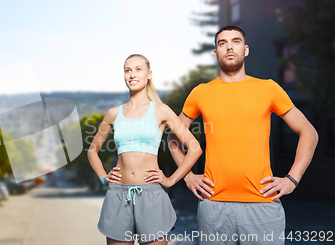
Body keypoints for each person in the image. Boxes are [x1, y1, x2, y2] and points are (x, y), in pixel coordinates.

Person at [168, 26, 319, 244]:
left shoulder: (268, 88)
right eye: (222, 43)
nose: (229, 47)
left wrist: (291, 180)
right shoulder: (201, 92)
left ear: (245, 50)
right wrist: (188, 176)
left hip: (263, 205)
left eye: (236, 41)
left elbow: (309, 133)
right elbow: (173, 138)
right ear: (215, 54)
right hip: (213, 206)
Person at [87, 54, 202, 245]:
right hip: (117, 194)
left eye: (138, 69)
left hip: (152, 195)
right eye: (127, 70)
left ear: (149, 74)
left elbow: (195, 148)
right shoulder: (113, 113)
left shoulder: (161, 110)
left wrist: (171, 180)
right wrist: (104, 178)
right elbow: (92, 151)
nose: (132, 74)